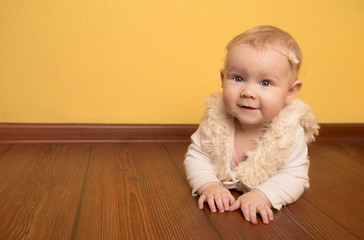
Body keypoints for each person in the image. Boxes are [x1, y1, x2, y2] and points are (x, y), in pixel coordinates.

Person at [184, 25, 319, 224]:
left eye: (265, 83)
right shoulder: (216, 122)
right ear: (223, 79)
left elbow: (295, 176)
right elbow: (197, 157)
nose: (248, 92)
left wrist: (263, 194)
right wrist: (209, 185)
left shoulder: (288, 131)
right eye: (238, 78)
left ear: (290, 92)